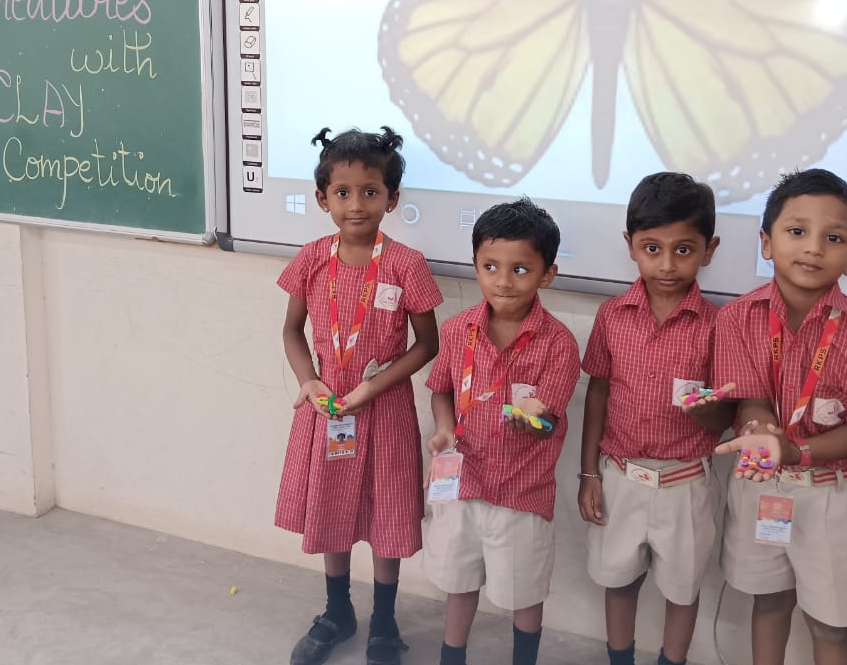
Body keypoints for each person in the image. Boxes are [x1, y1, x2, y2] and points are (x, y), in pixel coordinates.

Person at [712, 169, 847, 665]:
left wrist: (794, 451)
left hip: (832, 496)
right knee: (770, 601)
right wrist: (759, 430)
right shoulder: (736, 318)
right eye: (797, 231)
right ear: (766, 243)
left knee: (830, 623)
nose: (814, 248)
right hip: (762, 483)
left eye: (834, 238)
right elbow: (751, 399)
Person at [276, 127, 442, 665]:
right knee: (332, 506)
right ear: (322, 198)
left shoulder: (406, 264)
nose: (356, 204)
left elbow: (428, 344)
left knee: (387, 512)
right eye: (342, 192)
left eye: (371, 192)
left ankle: (385, 621)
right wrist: (309, 380)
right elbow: (291, 331)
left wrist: (372, 387)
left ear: (391, 199)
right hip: (328, 410)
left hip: (385, 409)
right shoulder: (311, 259)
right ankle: (337, 611)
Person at [578, 172, 733, 665]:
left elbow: (725, 418)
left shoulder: (719, 325)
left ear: (708, 250)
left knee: (682, 590)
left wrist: (710, 410)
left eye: (683, 250)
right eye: (652, 248)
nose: (667, 264)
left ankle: (672, 659)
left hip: (686, 483)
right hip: (620, 476)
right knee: (619, 581)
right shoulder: (612, 315)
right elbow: (598, 391)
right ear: (630, 245)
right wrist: (588, 473)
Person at [423, 198, 581, 665]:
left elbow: (549, 423)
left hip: (521, 493)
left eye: (520, 269)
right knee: (458, 582)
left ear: (547, 275)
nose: (503, 281)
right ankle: (452, 656)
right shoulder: (458, 330)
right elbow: (441, 390)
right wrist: (444, 429)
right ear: (475, 265)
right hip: (463, 484)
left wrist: (534, 419)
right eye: (490, 266)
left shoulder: (559, 344)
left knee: (523, 593)